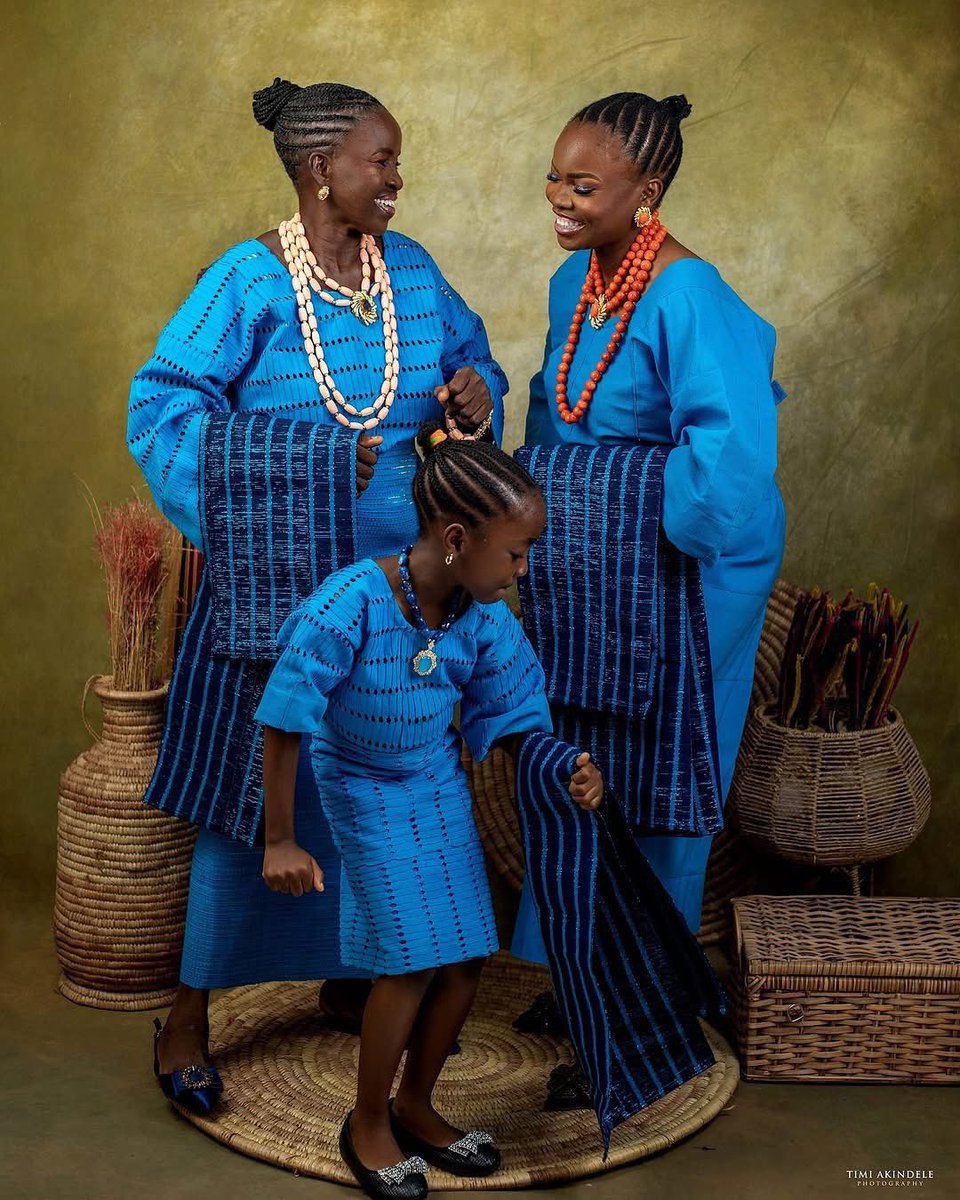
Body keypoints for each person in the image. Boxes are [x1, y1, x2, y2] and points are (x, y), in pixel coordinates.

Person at [128, 77, 507, 1114]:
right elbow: (161, 409)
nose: (396, 177)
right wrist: (296, 471)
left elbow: (472, 363)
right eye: (381, 159)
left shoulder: (414, 273)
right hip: (276, 591)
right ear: (319, 169)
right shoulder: (247, 282)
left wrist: (481, 390)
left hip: (405, 597)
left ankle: (355, 976)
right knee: (253, 809)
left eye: (395, 159)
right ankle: (190, 1018)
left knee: (382, 796)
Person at [256, 426, 603, 1198]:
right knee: (409, 960)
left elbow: (518, 719)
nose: (522, 570)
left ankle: (417, 1103)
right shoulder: (352, 601)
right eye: (515, 553)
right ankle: (368, 1121)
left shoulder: (481, 621)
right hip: (359, 781)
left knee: (467, 951)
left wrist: (568, 767)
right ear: (456, 539)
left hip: (433, 779)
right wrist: (280, 837)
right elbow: (285, 714)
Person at [513, 91, 786, 1070]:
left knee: (664, 766)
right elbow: (557, 419)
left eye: (583, 186)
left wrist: (637, 532)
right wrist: (535, 525)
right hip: (593, 560)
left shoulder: (689, 294)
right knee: (576, 758)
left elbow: (732, 460)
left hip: (687, 565)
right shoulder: (572, 285)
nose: (558, 199)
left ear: (650, 188)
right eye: (553, 178)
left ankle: (645, 997)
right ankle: (571, 971)